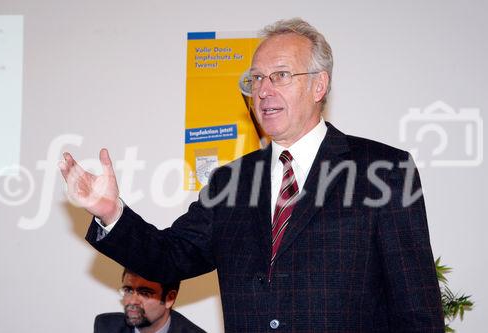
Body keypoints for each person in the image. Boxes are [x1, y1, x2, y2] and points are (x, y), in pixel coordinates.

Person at [60, 18, 444, 332]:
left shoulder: (384, 170)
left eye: (280, 75)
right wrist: (111, 212)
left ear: (319, 85)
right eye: (256, 79)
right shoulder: (231, 182)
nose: (263, 90)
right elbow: (169, 257)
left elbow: (418, 311)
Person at [94, 268, 206, 333]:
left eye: (144, 293)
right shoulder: (107, 326)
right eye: (128, 290)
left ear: (169, 299)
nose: (132, 301)